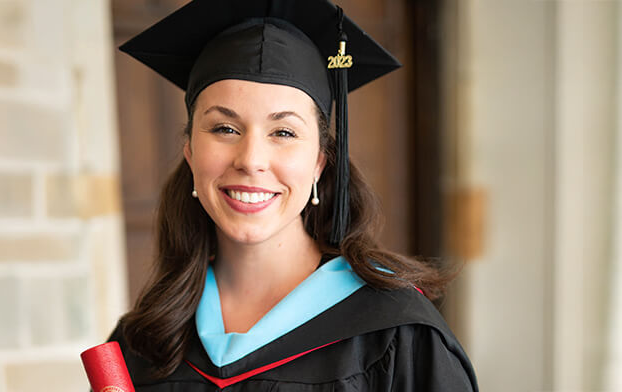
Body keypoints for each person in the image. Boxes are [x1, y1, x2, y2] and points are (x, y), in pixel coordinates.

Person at [108, 0, 479, 390]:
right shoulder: (141, 342)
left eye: (283, 133)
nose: (251, 160)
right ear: (190, 151)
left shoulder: (396, 336)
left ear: (320, 161)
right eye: (224, 129)